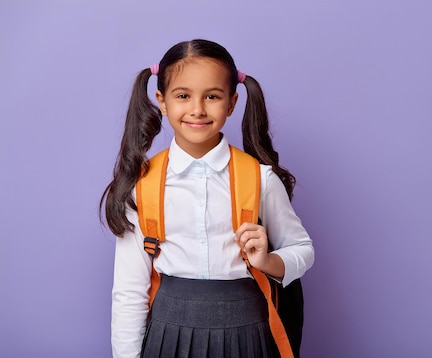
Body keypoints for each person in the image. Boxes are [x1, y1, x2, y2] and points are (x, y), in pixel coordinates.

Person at [100, 39, 314, 358]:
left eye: (212, 96)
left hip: (248, 333)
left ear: (231, 103)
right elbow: (129, 292)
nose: (197, 109)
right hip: (168, 333)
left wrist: (268, 261)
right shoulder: (141, 185)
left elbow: (303, 249)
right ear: (161, 101)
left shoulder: (260, 179)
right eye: (183, 95)